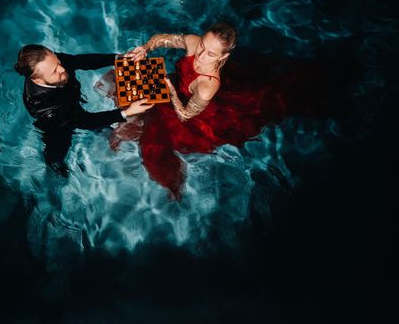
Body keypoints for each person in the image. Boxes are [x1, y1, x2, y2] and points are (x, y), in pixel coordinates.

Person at [110, 22, 356, 199]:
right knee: (126, 82)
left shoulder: (208, 85)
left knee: (155, 136)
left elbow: (186, 115)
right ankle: (128, 120)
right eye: (203, 46)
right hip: (175, 87)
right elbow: (164, 38)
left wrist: (170, 91)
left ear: (224, 56)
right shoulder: (196, 43)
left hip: (191, 112)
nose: (201, 56)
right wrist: (146, 47)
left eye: (211, 54)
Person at [14, 44, 154, 176]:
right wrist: (126, 112)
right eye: (54, 71)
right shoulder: (46, 108)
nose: (62, 69)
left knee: (104, 127)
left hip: (70, 101)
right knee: (58, 150)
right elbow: (85, 121)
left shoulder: (51, 63)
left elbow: (81, 61)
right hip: (58, 125)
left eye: (58, 62)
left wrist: (118, 58)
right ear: (38, 80)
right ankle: (54, 169)